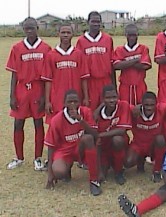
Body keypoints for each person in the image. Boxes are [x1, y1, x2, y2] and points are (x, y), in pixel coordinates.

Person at [5, 17, 51, 170]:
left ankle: (38, 158)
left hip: (38, 89)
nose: (29, 31)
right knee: (18, 122)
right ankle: (19, 157)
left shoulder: (45, 48)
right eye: (26, 28)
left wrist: (45, 96)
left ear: (37, 28)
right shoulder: (17, 48)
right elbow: (14, 74)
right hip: (22, 89)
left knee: (38, 122)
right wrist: (12, 95)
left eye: (32, 28)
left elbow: (47, 76)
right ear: (23, 30)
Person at [45, 90, 101, 196]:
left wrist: (81, 120)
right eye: (69, 102)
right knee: (59, 171)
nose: (72, 104)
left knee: (88, 138)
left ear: (79, 102)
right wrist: (50, 174)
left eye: (75, 101)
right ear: (64, 103)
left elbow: (95, 135)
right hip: (65, 151)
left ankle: (94, 180)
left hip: (81, 148)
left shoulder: (86, 112)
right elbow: (51, 146)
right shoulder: (56, 120)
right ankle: (67, 170)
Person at [42, 23, 89, 123]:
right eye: (63, 32)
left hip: (76, 96)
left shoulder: (79, 54)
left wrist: (86, 97)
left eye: (68, 32)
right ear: (58, 34)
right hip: (57, 97)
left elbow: (83, 78)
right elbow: (48, 80)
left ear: (73, 34)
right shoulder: (51, 55)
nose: (65, 35)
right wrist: (47, 101)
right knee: (56, 123)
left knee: (75, 123)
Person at [76, 11, 115, 111]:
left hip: (105, 80)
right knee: (90, 112)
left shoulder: (108, 39)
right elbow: (79, 66)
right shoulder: (81, 41)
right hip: (89, 82)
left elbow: (112, 64)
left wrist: (114, 86)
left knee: (106, 111)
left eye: (98, 21)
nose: (96, 24)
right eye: (93, 21)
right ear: (88, 22)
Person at [124, 92, 166, 182]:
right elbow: (120, 103)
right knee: (127, 162)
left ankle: (157, 171)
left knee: (160, 139)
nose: (149, 107)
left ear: (156, 104)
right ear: (141, 104)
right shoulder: (134, 111)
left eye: (152, 105)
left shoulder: (161, 109)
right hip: (138, 144)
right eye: (146, 105)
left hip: (153, 145)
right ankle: (140, 161)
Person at [95, 85, 132, 185]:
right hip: (104, 148)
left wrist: (101, 135)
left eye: (114, 97)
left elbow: (122, 130)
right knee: (102, 174)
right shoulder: (98, 113)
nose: (112, 100)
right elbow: (92, 122)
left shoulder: (123, 105)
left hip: (118, 145)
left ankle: (118, 171)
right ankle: (106, 165)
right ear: (102, 99)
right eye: (108, 98)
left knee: (117, 140)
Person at [113, 24, 152, 105]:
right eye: (129, 35)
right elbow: (116, 66)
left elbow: (146, 66)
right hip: (125, 87)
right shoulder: (120, 50)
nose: (132, 38)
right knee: (125, 109)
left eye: (134, 35)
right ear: (125, 35)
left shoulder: (143, 48)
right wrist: (135, 60)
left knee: (140, 110)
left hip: (140, 86)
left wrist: (125, 62)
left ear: (138, 34)